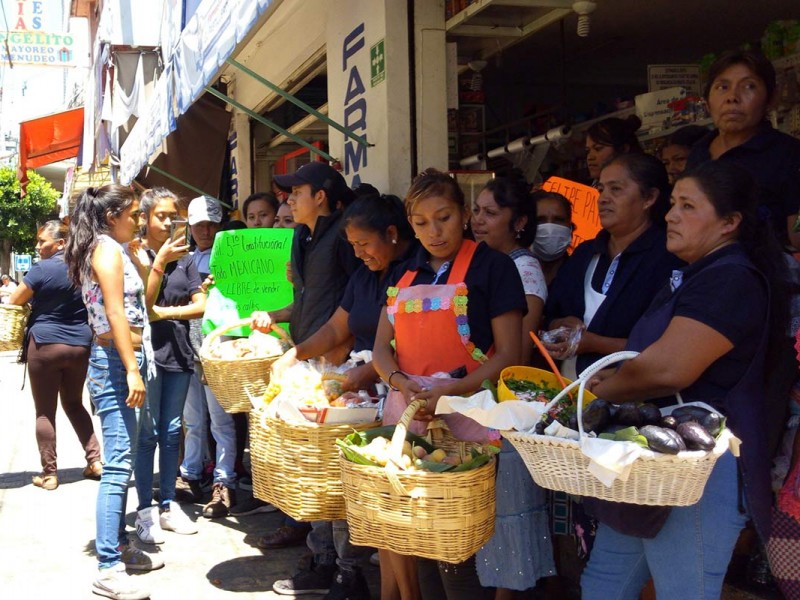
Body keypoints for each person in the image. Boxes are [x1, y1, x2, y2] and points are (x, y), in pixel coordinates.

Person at [582, 161, 789, 600]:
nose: (671, 215)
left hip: (704, 467)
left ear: (730, 223)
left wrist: (596, 393)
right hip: (656, 464)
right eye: (673, 204)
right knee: (603, 586)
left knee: (684, 592)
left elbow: (667, 369)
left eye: (688, 206)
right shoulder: (694, 273)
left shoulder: (731, 278)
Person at [373, 168, 526, 600]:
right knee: (413, 533)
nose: (433, 231)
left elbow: (507, 356)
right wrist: (401, 383)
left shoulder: (493, 268)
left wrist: (449, 392)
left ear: (463, 214)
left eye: (443, 217)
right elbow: (381, 351)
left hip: (472, 420)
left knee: (459, 546)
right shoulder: (404, 275)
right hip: (410, 418)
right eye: (421, 223)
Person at [264, 192, 416, 600]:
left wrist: (350, 380)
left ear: (392, 233)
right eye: (352, 247)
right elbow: (336, 328)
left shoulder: (413, 272)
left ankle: (354, 576)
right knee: (341, 487)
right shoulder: (365, 275)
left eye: (364, 244)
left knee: (382, 502)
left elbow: (402, 346)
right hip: (360, 392)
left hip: (398, 395)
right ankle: (338, 569)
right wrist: (296, 354)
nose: (359, 253)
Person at [253, 161, 360, 595]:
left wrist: (346, 356)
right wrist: (274, 317)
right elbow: (304, 300)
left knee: (339, 476)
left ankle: (349, 572)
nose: (288, 199)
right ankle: (322, 558)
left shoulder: (344, 235)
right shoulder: (300, 237)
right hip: (307, 364)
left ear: (321, 195)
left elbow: (358, 303)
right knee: (315, 472)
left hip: (344, 369)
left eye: (296, 192)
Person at [64, 185, 163, 600]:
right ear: (111, 216)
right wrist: (130, 369)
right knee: (118, 462)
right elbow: (116, 311)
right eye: (135, 214)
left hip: (121, 359)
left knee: (127, 454)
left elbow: (140, 305)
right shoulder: (104, 250)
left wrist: (147, 265)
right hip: (114, 362)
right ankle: (108, 566)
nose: (139, 221)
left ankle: (120, 548)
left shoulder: (110, 248)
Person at [470, 178, 556, 597]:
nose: (479, 220)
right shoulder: (480, 261)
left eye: (491, 213)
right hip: (482, 402)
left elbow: (518, 350)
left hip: (510, 407)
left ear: (519, 221)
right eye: (477, 211)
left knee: (508, 508)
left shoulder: (523, 267)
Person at [544, 153, 683, 380]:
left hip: (632, 397)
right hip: (568, 390)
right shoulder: (584, 253)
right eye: (601, 190)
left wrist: (596, 344)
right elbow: (552, 314)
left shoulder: (668, 258)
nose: (603, 199)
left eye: (616, 189)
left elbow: (669, 347)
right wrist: (560, 325)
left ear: (649, 198)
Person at [132, 188, 205, 543]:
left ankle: (169, 503)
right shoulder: (135, 254)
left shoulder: (186, 258)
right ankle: (145, 509)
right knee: (147, 434)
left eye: (172, 216)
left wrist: (167, 312)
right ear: (144, 218)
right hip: (147, 355)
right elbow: (144, 305)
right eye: (160, 215)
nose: (167, 222)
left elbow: (200, 303)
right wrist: (158, 262)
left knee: (173, 430)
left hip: (178, 350)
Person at [8, 220, 101, 491]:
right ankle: (95, 461)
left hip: (45, 346)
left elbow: (15, 300)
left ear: (60, 243)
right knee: (74, 403)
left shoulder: (42, 269)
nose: (38, 247)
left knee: (45, 412)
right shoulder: (84, 268)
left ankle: (50, 474)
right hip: (80, 346)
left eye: (42, 242)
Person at [686, 49, 800, 250]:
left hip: (765, 274)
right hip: (705, 272)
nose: (732, 97)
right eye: (722, 87)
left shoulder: (789, 154)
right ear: (706, 102)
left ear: (771, 99)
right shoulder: (699, 152)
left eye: (749, 86)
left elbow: (797, 236)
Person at [176, 195, 239, 519]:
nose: (205, 229)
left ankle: (224, 479)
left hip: (219, 348)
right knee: (193, 419)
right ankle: (191, 473)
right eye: (199, 224)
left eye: (211, 224)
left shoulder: (231, 259)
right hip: (189, 349)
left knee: (221, 420)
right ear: (190, 225)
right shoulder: (183, 260)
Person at [584, 114, 643, 184]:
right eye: (588, 151)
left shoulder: (640, 184)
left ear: (623, 149)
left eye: (598, 149)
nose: (590, 157)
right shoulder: (594, 186)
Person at [532, 190, 574, 287]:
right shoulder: (514, 273)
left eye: (558, 220)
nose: (549, 228)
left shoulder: (582, 273)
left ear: (570, 228)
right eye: (540, 220)